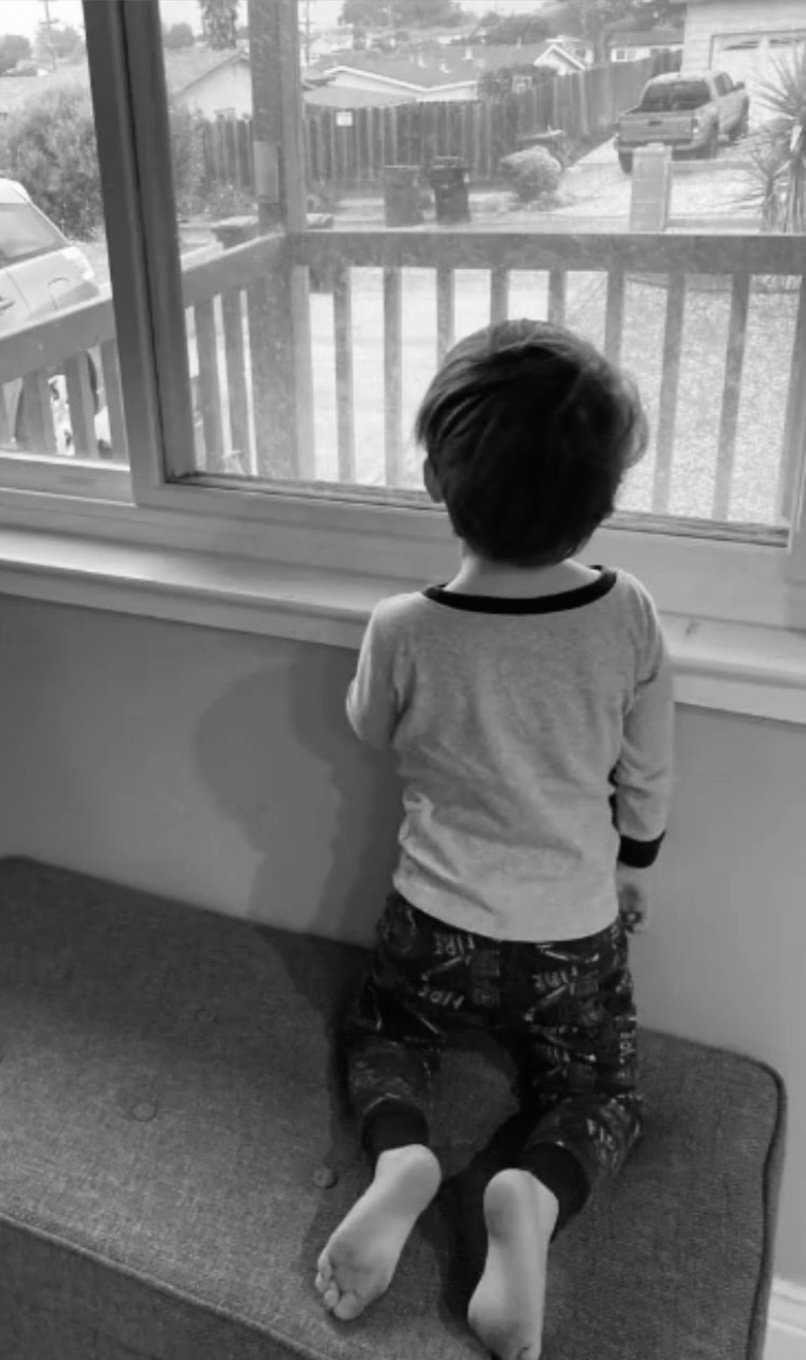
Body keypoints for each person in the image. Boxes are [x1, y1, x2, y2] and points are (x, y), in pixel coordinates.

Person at [314, 319, 674, 1360]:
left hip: (433, 920)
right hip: (571, 930)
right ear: (604, 499)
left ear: (435, 477)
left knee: (385, 1038)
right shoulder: (628, 614)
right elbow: (647, 768)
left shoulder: (403, 623)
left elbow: (369, 731)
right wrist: (634, 859)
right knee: (600, 1088)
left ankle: (401, 1160)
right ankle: (529, 1192)